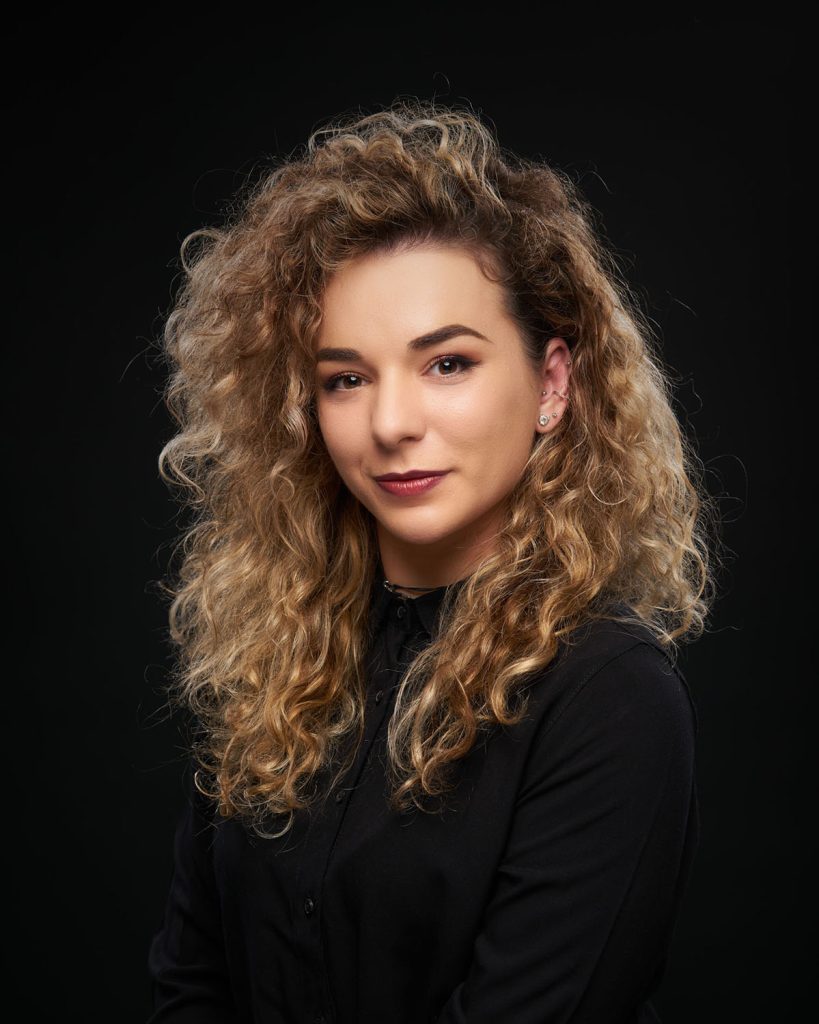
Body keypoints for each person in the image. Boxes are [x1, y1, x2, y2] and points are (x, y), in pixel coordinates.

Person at [145, 97, 718, 1024]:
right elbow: (191, 984)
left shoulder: (610, 698)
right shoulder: (271, 656)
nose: (390, 423)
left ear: (552, 385)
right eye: (345, 378)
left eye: (446, 363)